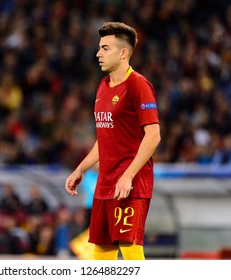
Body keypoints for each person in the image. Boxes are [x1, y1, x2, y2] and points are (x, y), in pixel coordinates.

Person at [65, 22, 161, 260]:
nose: (98, 53)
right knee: (102, 250)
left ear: (123, 53)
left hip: (130, 184)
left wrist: (128, 175)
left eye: (105, 48)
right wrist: (81, 169)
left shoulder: (138, 85)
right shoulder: (103, 87)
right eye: (99, 48)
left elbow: (154, 135)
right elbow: (105, 138)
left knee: (129, 249)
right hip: (105, 183)